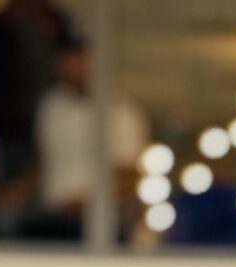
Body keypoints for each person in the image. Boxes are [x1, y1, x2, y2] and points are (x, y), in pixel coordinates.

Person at [0, 0, 77, 225]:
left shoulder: (54, 21)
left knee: (48, 197)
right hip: (10, 132)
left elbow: (73, 65)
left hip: (53, 128)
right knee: (10, 202)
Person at [26, 36, 147, 244]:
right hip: (51, 216)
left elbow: (128, 178)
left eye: (78, 64)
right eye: (66, 65)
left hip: (100, 220)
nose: (72, 71)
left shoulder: (122, 113)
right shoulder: (51, 106)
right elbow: (43, 163)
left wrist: (87, 204)